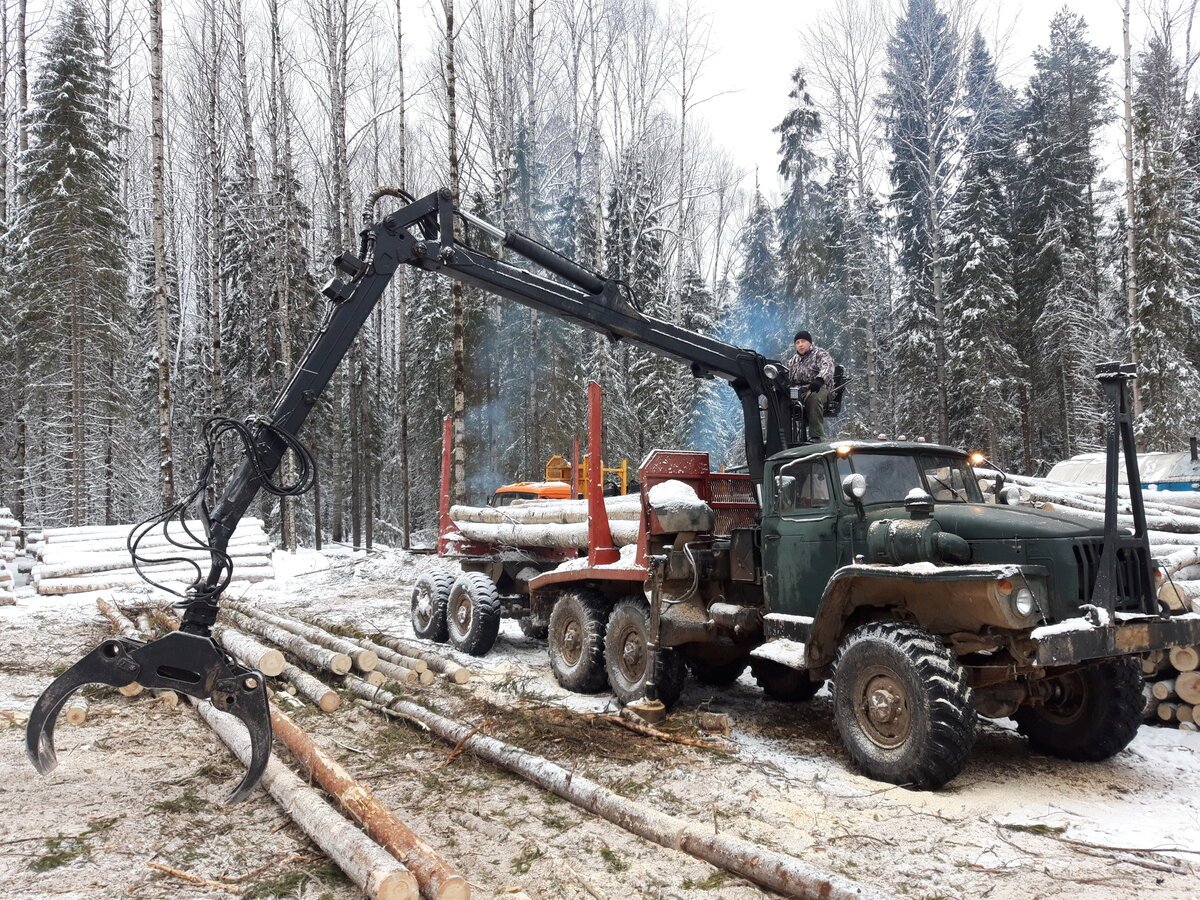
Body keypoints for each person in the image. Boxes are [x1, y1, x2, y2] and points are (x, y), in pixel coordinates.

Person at [785, 330, 835, 441]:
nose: (800, 344)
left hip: (820, 388)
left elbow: (828, 366)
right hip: (800, 391)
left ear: (810, 342)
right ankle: (784, 438)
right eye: (797, 342)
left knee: (814, 398)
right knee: (779, 401)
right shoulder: (794, 360)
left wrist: (820, 379)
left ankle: (816, 436)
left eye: (803, 341)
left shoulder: (819, 354)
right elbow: (786, 374)